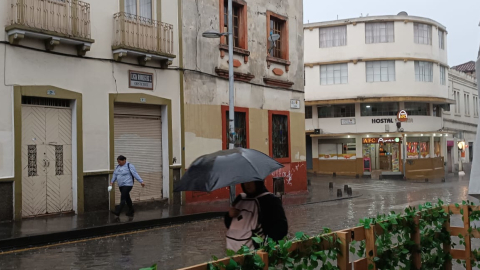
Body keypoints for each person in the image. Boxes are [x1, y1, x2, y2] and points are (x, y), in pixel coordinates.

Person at [224, 181, 288, 251]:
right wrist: (229, 215)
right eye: (245, 181)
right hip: (235, 251)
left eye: (251, 182)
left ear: (258, 181)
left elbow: (281, 228)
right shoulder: (240, 199)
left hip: (260, 253)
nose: (247, 184)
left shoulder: (270, 200)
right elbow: (230, 226)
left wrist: (267, 247)